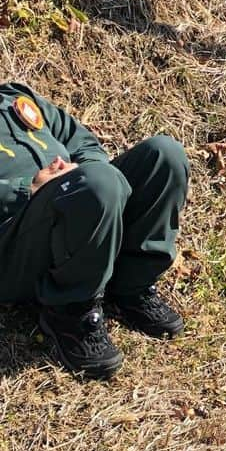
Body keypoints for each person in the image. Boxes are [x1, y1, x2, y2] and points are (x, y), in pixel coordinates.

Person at [0, 83, 189, 378]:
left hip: (74, 211)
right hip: (13, 247)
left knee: (164, 155)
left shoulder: (15, 98)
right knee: (96, 182)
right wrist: (27, 189)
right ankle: (70, 312)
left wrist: (85, 174)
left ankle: (130, 286)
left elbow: (85, 145)